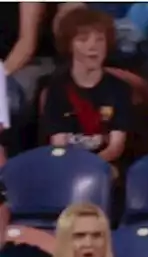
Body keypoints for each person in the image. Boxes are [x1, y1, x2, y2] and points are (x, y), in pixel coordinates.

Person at [39, 7, 134, 172]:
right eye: (83, 40)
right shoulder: (56, 88)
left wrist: (91, 166)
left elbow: (115, 147)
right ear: (69, 45)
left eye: (99, 40)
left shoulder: (120, 89)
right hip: (66, 166)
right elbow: (58, 143)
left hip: (105, 165)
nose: (93, 47)